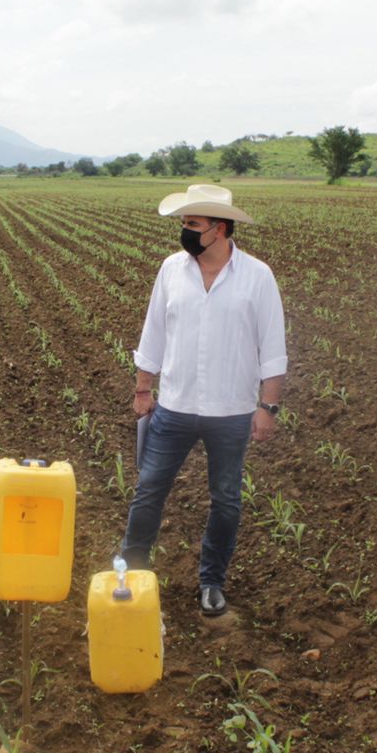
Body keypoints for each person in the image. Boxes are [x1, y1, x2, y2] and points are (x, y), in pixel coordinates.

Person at [120, 184, 286, 617]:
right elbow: (153, 332)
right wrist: (143, 388)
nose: (186, 232)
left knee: (226, 498)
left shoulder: (257, 276)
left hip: (231, 411)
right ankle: (132, 573)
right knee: (149, 489)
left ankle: (212, 581)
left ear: (220, 228)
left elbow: (272, 347)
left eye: (193, 224)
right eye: (184, 224)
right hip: (174, 405)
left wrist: (267, 408)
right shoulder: (172, 270)